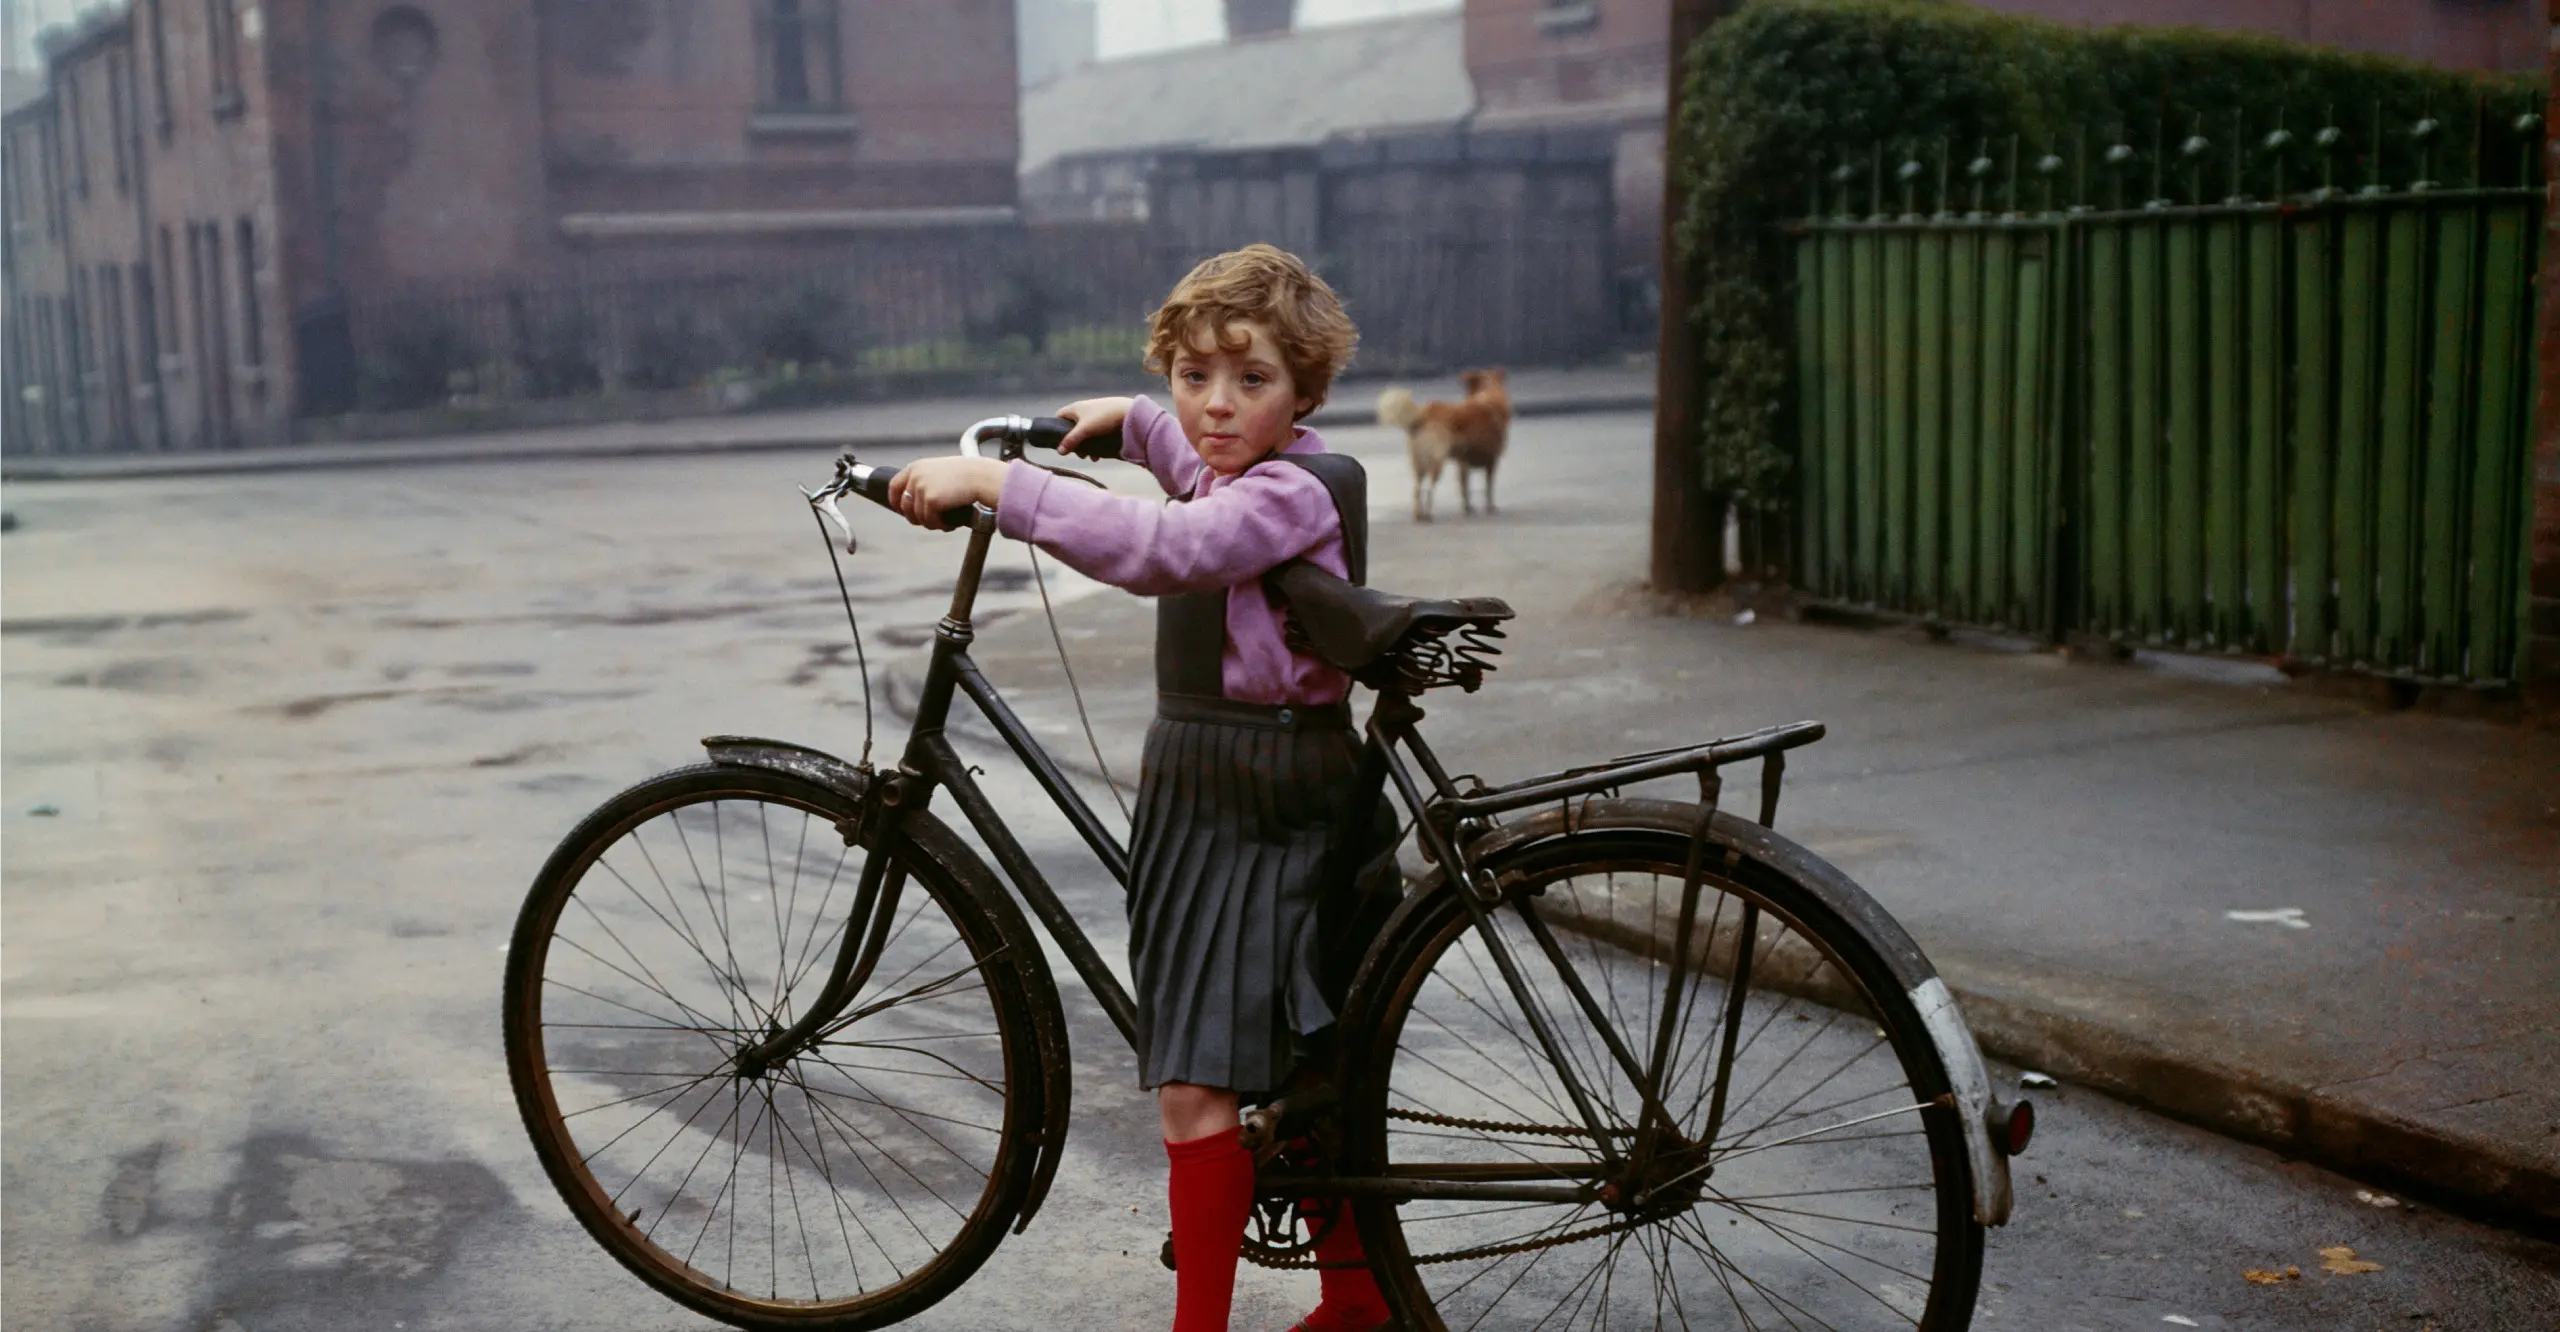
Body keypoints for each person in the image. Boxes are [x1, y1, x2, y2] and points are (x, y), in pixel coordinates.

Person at [887, 244, 1393, 1332]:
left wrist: (1002, 487)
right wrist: (1126, 417)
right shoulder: (1232, 455)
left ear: (1305, 394)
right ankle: (1357, 1300)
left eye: (1251, 381)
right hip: (1223, 776)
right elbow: (1191, 459)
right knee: (1297, 1054)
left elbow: (1172, 543)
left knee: (1196, 1082)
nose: (1216, 406)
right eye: (1191, 375)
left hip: (1256, 788)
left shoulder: (1288, 492)